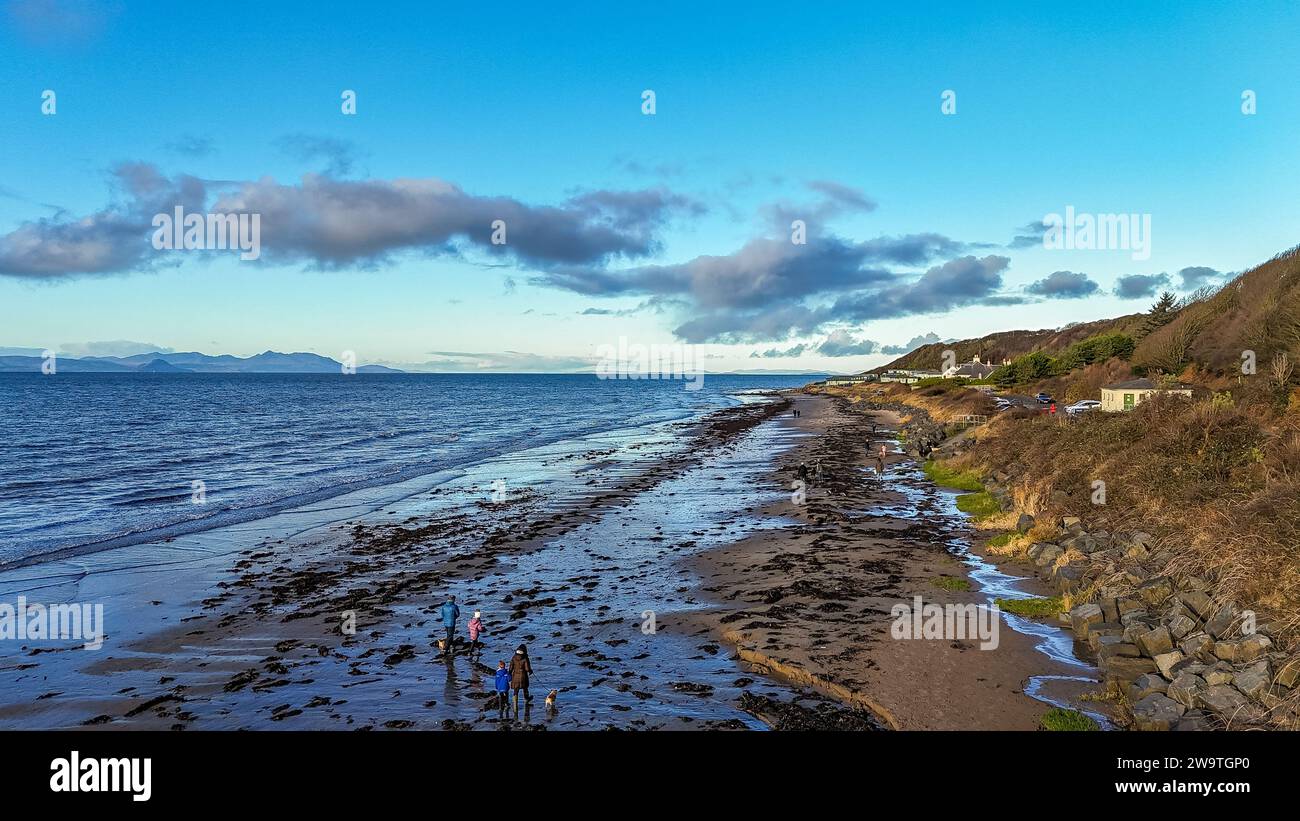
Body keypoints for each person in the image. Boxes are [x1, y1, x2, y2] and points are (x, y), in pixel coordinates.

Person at [509, 644, 533, 708]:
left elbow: (511, 667)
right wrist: (530, 671)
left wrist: (509, 673)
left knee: (515, 690)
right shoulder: (525, 658)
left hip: (515, 676)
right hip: (523, 676)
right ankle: (526, 700)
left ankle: (515, 705)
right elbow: (527, 668)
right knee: (525, 688)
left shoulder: (514, 657)